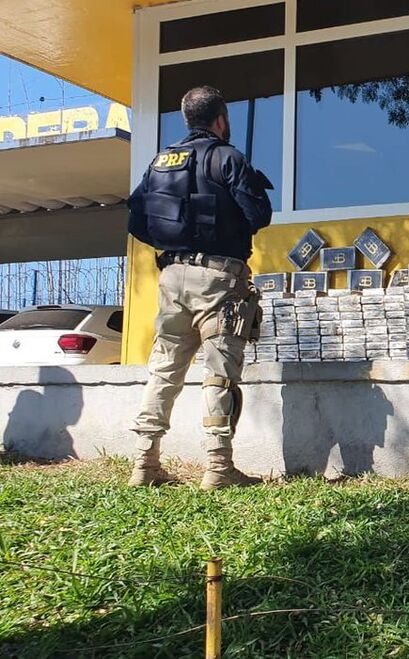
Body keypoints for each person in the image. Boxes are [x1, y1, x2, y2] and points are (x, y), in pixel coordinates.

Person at [126, 85, 273, 489]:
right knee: (220, 371)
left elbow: (137, 221)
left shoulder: (159, 163)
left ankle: (144, 463)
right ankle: (218, 468)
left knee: (164, 368)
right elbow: (259, 215)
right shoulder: (228, 157)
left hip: (171, 277)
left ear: (187, 119)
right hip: (219, 278)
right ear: (221, 120)